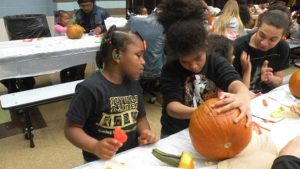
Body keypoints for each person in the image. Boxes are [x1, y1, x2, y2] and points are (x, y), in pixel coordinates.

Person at [157, 0, 251, 138]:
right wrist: (202, 112)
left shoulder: (215, 61)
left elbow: (235, 82)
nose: (194, 66)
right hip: (176, 132)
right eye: (185, 62)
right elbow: (172, 107)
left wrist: (242, 95)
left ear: (205, 46)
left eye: (197, 58)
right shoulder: (170, 69)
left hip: (208, 129)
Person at [64, 25, 158, 162]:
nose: (143, 62)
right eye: (139, 55)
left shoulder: (134, 85)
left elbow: (140, 119)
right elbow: (71, 129)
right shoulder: (90, 89)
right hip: (100, 162)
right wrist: (95, 146)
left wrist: (145, 132)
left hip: (130, 157)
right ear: (117, 55)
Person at [233, 9, 290, 94]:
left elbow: (279, 81)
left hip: (266, 98)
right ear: (258, 27)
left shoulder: (283, 48)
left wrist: (270, 79)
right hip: (241, 96)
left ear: (282, 37)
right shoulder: (239, 46)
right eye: (262, 35)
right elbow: (229, 83)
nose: (264, 43)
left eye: (272, 40)